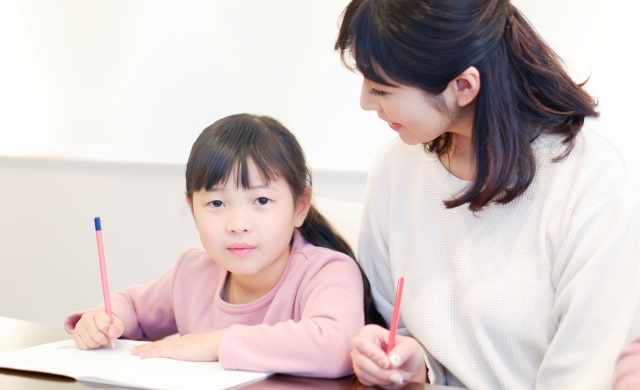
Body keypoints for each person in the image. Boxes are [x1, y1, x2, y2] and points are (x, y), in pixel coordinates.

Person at [334, 0, 640, 388]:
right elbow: (394, 323)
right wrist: (414, 363)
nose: (364, 102)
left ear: (463, 86)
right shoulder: (396, 168)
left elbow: (583, 376)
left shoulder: (603, 176)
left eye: (380, 88)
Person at [64, 113, 383, 378]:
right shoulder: (191, 272)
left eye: (261, 200)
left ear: (300, 206)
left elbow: (337, 346)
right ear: (192, 208)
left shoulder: (328, 272)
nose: (237, 223)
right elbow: (132, 306)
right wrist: (104, 318)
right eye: (216, 203)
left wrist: (216, 343)